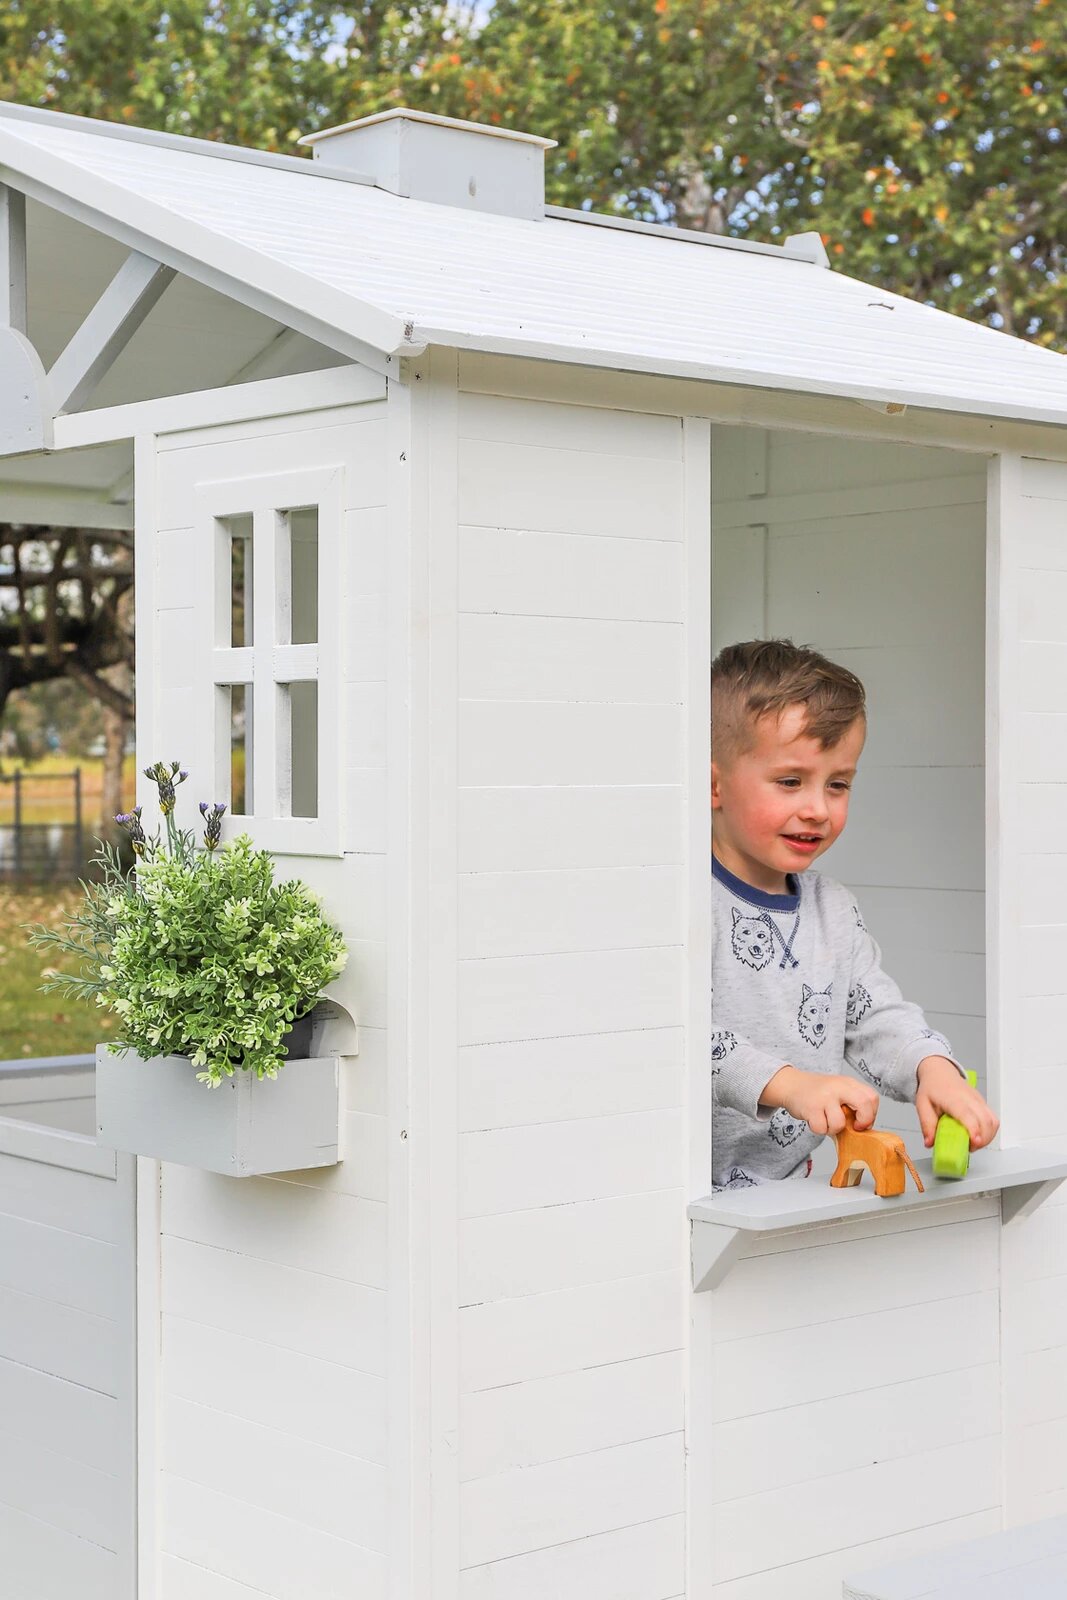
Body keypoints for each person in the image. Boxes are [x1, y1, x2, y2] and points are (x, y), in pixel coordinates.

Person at [710, 638, 998, 1190]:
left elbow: (875, 1015)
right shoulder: (685, 903)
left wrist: (931, 1069)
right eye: (790, 781)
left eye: (838, 784)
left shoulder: (832, 909)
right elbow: (682, 1039)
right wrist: (791, 1084)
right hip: (682, 1198)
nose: (818, 808)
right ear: (715, 783)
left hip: (792, 1190)